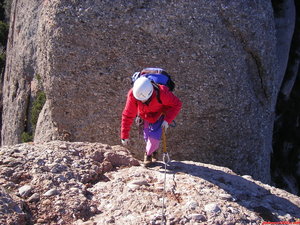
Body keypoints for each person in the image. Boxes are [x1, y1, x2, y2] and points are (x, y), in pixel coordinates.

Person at [121, 76, 182, 166]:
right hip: (144, 115)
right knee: (147, 137)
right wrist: (124, 135)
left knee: (153, 138)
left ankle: (148, 154)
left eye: (143, 99)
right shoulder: (133, 95)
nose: (141, 101)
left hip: (159, 114)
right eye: (139, 99)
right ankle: (153, 151)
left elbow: (177, 104)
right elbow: (127, 115)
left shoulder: (163, 93)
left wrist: (167, 120)